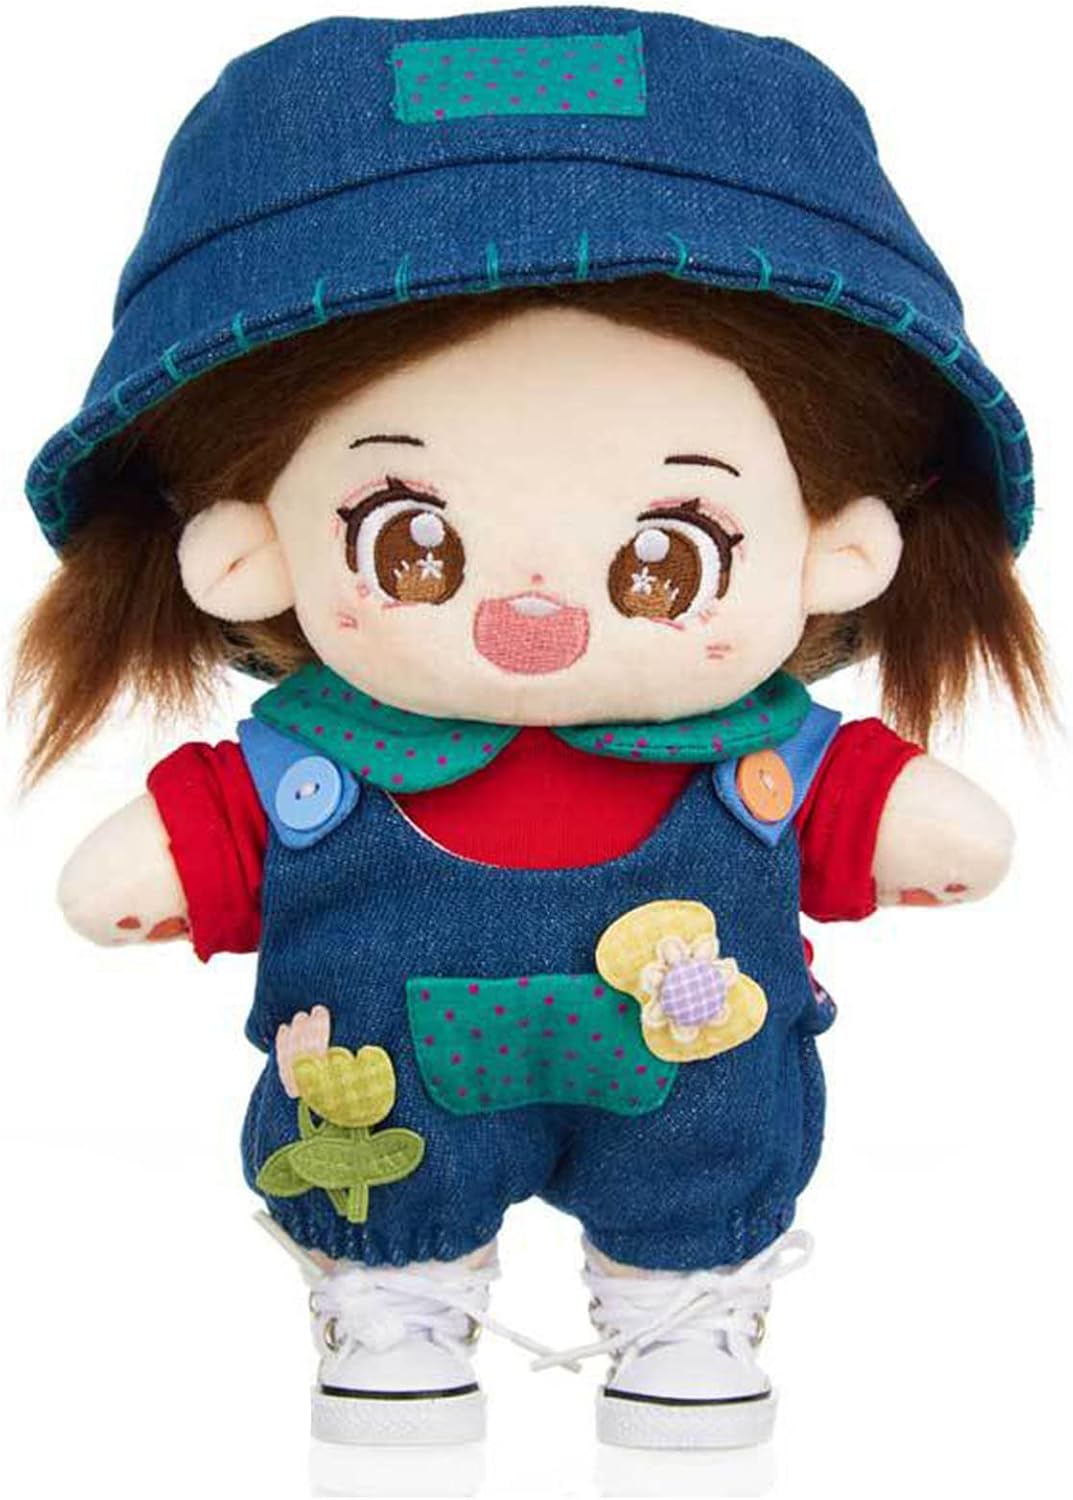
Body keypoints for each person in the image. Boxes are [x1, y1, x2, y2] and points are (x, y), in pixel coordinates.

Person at [16, 8, 1046, 1450]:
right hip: (386, 1125)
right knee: (377, 1168)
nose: (536, 612)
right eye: (411, 543)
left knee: (703, 1165)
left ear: (837, 548)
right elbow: (165, 853)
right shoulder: (311, 774)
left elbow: (925, 826)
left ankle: (686, 1307)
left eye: (666, 556)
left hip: (698, 1115)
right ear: (247, 548)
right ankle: (393, 1304)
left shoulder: (766, 761)